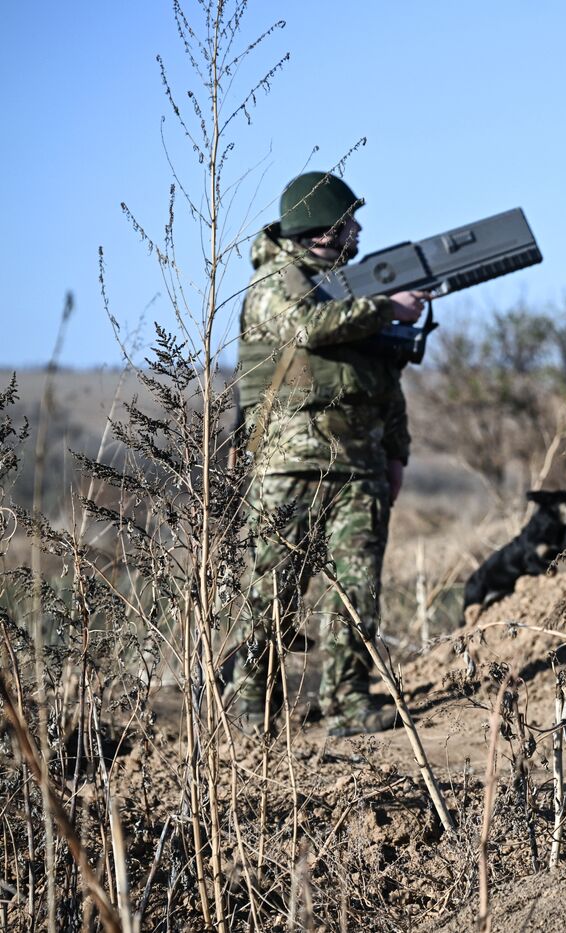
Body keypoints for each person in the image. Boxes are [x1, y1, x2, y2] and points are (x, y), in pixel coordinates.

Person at [229, 171, 425, 736]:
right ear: (322, 232)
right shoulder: (273, 283)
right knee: (273, 591)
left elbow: (384, 385)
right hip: (289, 468)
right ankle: (250, 710)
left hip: (359, 468)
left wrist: (396, 455)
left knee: (357, 590)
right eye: (348, 223)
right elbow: (305, 329)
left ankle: (348, 701)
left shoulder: (352, 292)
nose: (358, 231)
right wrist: (385, 308)